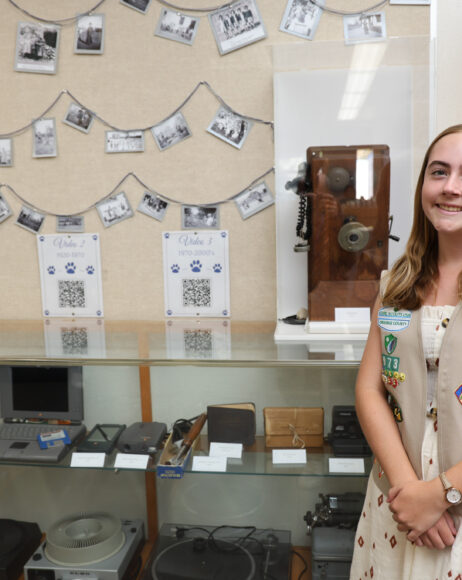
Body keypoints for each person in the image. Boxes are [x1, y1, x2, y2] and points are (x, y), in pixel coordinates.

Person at [350, 124, 462, 579]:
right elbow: (369, 390)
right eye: (439, 172)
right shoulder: (396, 284)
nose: (451, 187)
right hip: (399, 505)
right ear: (422, 186)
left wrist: (442, 495)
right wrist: (410, 491)